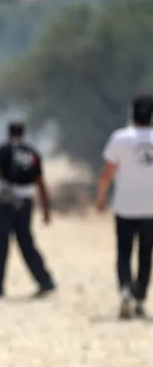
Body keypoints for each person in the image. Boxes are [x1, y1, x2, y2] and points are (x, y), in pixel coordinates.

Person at [96, 94, 153, 319]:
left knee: (124, 252)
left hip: (125, 206)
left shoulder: (120, 138)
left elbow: (107, 172)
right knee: (146, 254)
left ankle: (125, 290)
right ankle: (140, 296)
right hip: (151, 208)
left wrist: (100, 197)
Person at [0, 121, 56, 299]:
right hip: (25, 203)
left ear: (9, 133)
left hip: (5, 202)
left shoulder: (4, 149)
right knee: (26, 242)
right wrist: (46, 209)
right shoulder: (33, 153)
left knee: (0, 244)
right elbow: (40, 182)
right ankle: (45, 280)